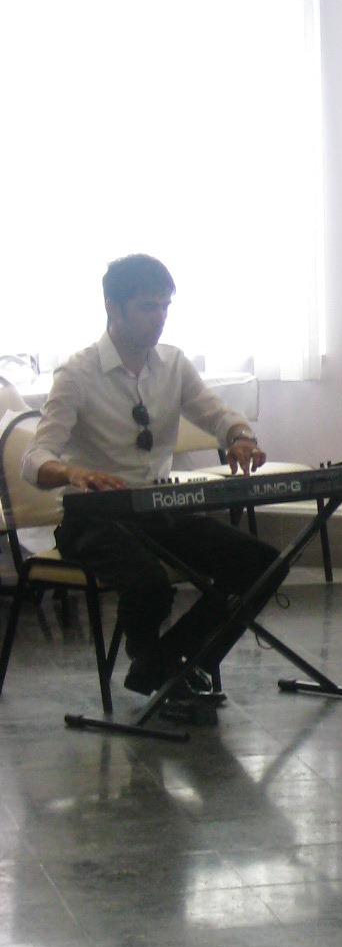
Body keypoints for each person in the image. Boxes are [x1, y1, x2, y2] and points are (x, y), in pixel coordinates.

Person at [23, 254, 280, 720]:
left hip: (158, 510)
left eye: (165, 306)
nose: (159, 317)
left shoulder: (174, 364)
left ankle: (170, 663)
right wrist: (73, 474)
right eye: (147, 307)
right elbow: (35, 458)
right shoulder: (77, 374)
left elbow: (217, 414)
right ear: (113, 307)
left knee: (262, 564)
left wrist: (240, 436)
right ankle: (162, 668)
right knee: (149, 585)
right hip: (93, 521)